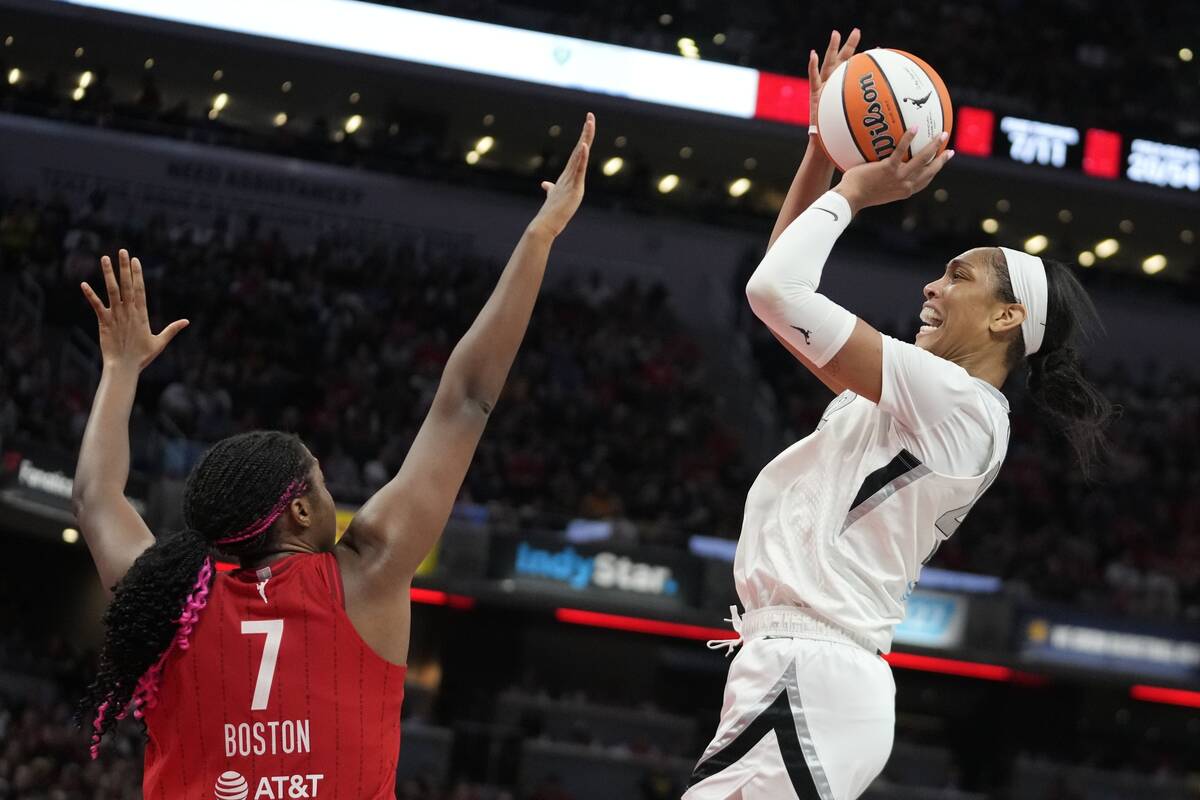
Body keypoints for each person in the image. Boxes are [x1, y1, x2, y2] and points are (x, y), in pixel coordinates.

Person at [72, 114, 596, 799]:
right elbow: (467, 398)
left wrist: (119, 369)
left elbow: (94, 498)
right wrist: (539, 236)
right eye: (320, 485)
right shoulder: (368, 574)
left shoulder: (168, 601)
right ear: (296, 510)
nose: (331, 499)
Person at [685, 30, 1111, 800]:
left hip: (811, 670)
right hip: (800, 669)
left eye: (959, 276)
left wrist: (852, 193)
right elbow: (779, 288)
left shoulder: (961, 406)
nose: (931, 286)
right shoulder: (924, 399)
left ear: (1006, 318)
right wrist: (821, 150)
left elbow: (773, 293)